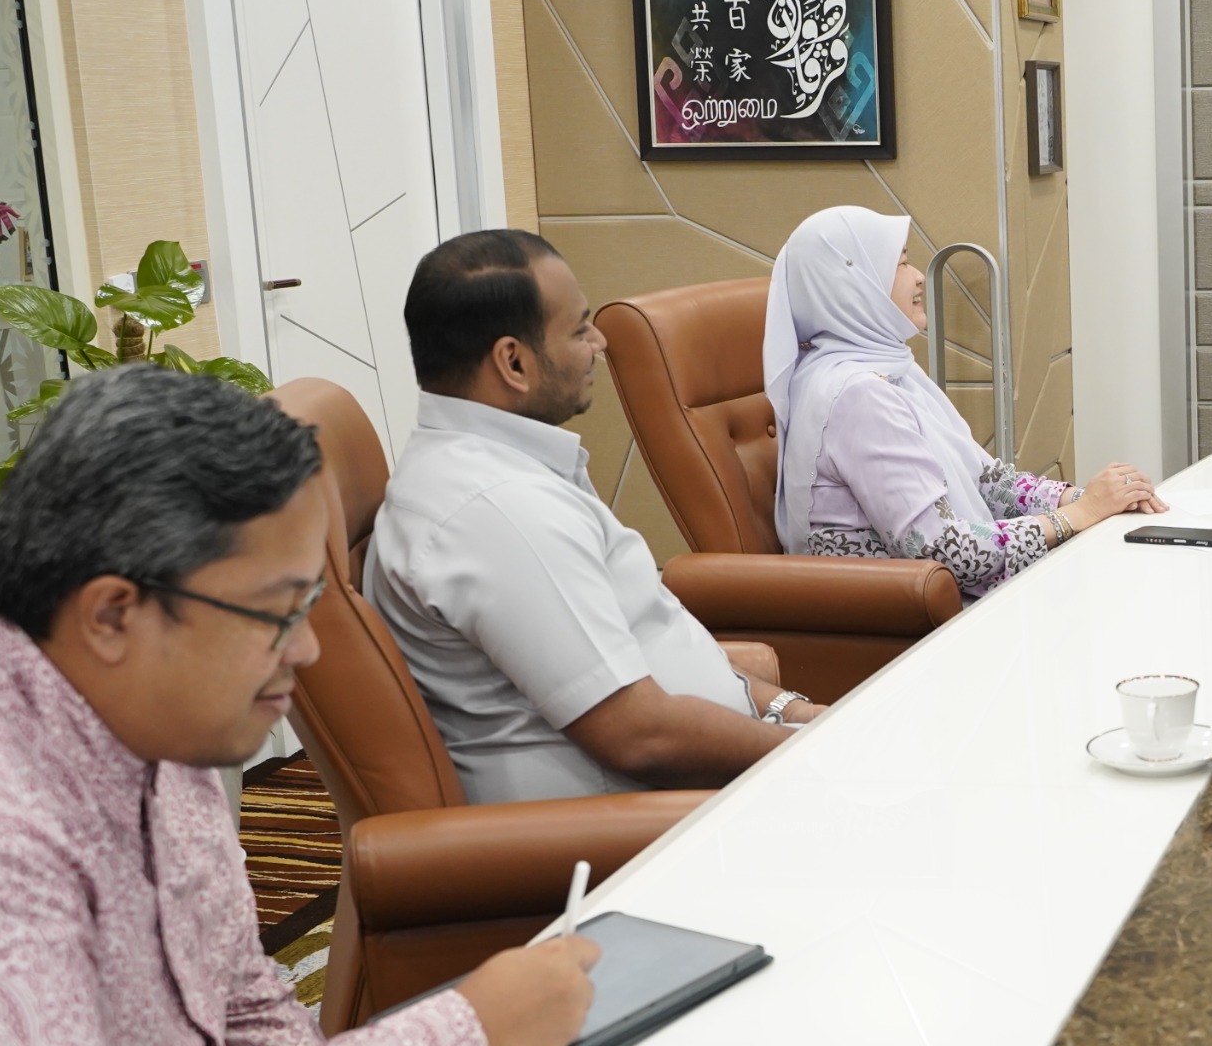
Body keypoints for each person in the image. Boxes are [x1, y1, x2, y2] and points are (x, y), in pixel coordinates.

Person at [0, 367, 596, 1046]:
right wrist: (454, 1044)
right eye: (278, 613)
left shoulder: (153, 712)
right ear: (113, 614)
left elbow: (241, 1000)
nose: (309, 650)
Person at [368, 229, 820, 804]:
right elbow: (641, 737)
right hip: (647, 826)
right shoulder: (499, 511)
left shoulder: (504, 472)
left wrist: (790, 712)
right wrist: (820, 753)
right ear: (514, 362)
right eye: (580, 329)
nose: (599, 343)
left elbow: (654, 647)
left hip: (702, 785)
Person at [765, 206, 1163, 598]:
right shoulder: (857, 396)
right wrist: (1081, 514)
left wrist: (1090, 497)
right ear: (854, 284)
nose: (918, 276)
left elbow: (987, 481)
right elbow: (946, 551)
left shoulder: (887, 369)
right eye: (900, 264)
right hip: (897, 621)